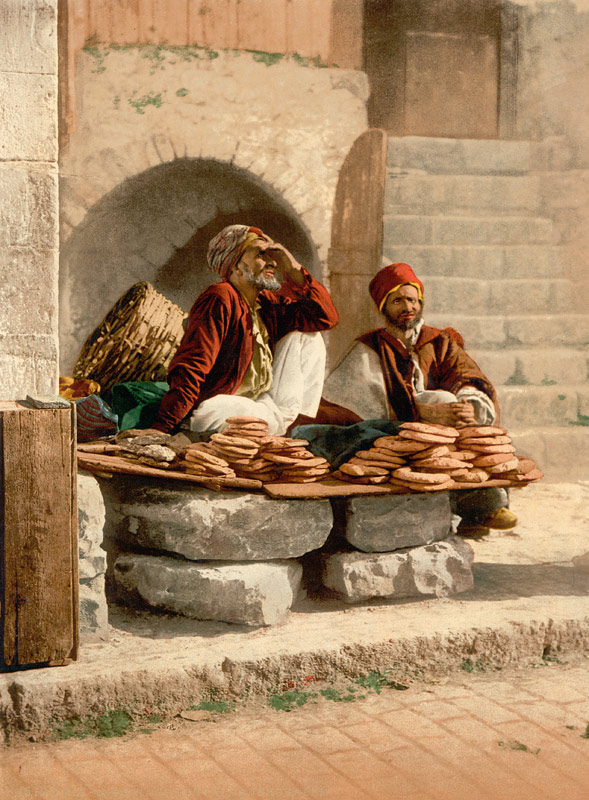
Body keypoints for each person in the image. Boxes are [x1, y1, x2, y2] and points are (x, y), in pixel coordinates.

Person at [322, 262, 517, 535]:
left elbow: (466, 374)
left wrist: (468, 406)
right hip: (392, 435)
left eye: (412, 300)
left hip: (447, 432)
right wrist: (422, 413)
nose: (407, 307)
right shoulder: (367, 349)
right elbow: (357, 407)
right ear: (384, 307)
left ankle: (484, 504)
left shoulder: (439, 342)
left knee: (465, 425)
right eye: (398, 300)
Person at [150, 224, 338, 436]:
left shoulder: (266, 303)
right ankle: (272, 429)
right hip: (220, 406)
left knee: (309, 335)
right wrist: (162, 428)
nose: (272, 262)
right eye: (261, 254)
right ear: (236, 265)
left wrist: (293, 267)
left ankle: (284, 427)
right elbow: (192, 366)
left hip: (264, 404)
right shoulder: (219, 297)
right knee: (227, 410)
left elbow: (324, 317)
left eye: (271, 255)